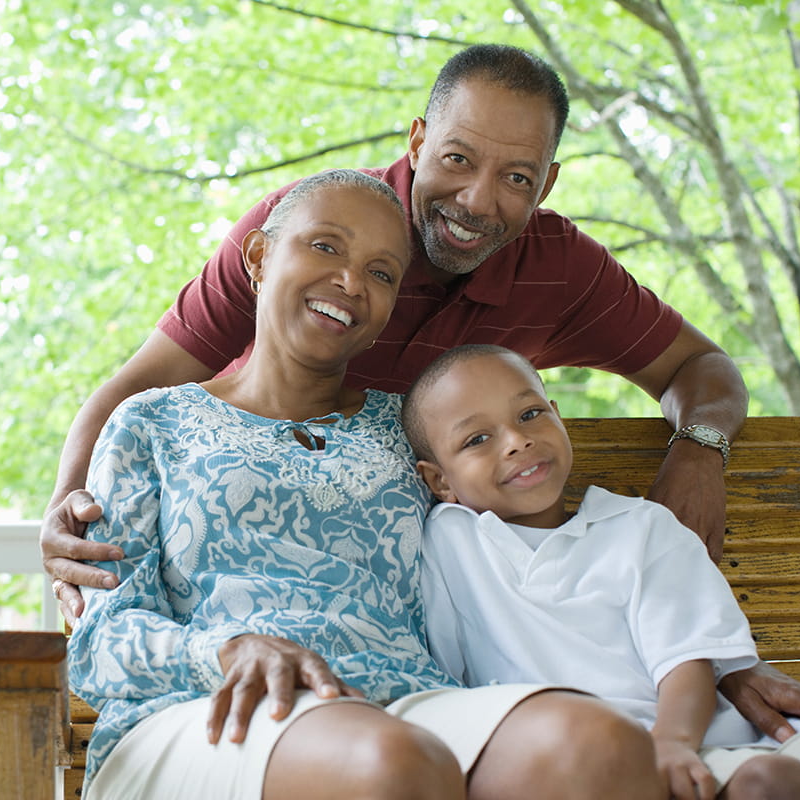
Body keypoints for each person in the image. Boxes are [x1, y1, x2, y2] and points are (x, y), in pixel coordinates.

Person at [45, 43, 800, 739]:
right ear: (418, 138)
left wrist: (699, 452)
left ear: (545, 185)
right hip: (314, 647)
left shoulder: (559, 266)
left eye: (516, 177)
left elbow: (703, 370)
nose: (477, 201)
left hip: (461, 628)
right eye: (458, 159)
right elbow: (134, 399)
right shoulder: (308, 233)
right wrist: (69, 524)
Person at [68, 170, 670, 800]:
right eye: (325, 246)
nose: (351, 282)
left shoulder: (409, 430)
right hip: (210, 706)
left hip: (408, 698)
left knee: (598, 748)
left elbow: (526, 558)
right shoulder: (152, 421)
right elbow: (100, 640)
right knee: (389, 764)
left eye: (382, 273)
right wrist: (227, 650)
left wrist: (707, 661)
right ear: (259, 256)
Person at [401, 343, 800, 800]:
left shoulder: (639, 527)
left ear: (558, 415)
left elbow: (687, 661)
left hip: (699, 742)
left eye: (530, 415)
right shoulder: (449, 542)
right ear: (440, 481)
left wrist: (671, 744)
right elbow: (439, 675)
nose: (517, 441)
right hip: (565, 764)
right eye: (476, 439)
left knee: (776, 781)